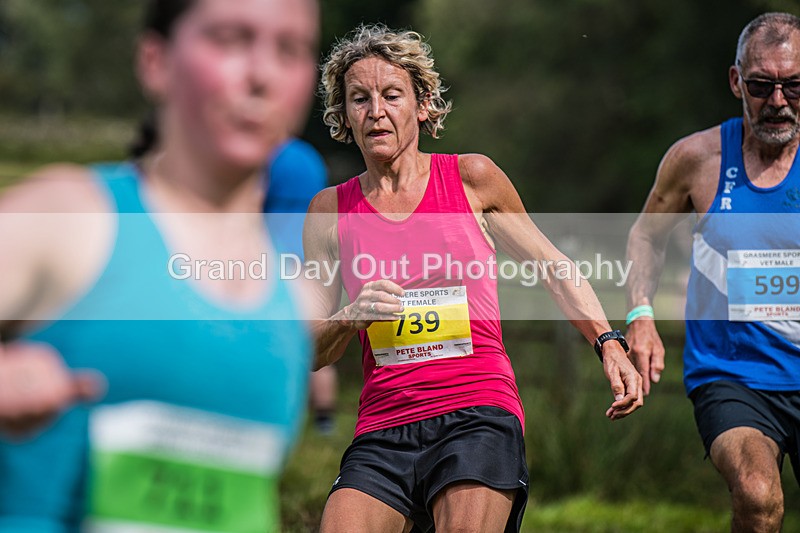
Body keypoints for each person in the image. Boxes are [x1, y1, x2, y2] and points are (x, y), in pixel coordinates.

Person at [304, 24, 643, 533]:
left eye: (392, 95)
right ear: (343, 114)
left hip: (476, 411)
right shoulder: (329, 211)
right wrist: (349, 316)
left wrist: (609, 342)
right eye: (359, 98)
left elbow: (554, 268)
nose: (376, 110)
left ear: (421, 105)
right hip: (382, 427)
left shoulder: (471, 179)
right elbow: (310, 352)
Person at [0, 0, 319, 530]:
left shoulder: (296, 305)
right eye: (230, 39)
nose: (262, 74)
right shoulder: (69, 219)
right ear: (156, 61)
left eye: (290, 49)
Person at [626, 12, 800, 533]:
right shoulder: (697, 158)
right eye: (761, 85)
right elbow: (644, 235)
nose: (778, 101)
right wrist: (640, 313)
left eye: (794, 86)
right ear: (735, 81)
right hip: (733, 375)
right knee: (757, 495)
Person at [264, 138, 339, 434]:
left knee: (277, 338)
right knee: (315, 334)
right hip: (312, 251)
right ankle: (325, 421)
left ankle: (280, 412)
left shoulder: (267, 156)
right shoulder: (310, 155)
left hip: (276, 255)